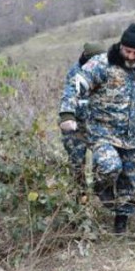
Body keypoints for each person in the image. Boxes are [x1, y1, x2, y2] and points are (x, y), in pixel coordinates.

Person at [59, 23, 135, 233]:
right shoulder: (102, 64)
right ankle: (101, 187)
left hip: (133, 136)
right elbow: (76, 84)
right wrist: (67, 114)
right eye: (127, 51)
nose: (131, 56)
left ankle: (121, 224)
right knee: (111, 166)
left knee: (129, 181)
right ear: (120, 46)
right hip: (103, 132)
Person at [59, 42, 105, 193]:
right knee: (77, 164)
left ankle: (103, 192)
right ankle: (80, 197)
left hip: (98, 125)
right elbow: (69, 98)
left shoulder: (107, 69)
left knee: (104, 159)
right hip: (76, 127)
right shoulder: (75, 73)